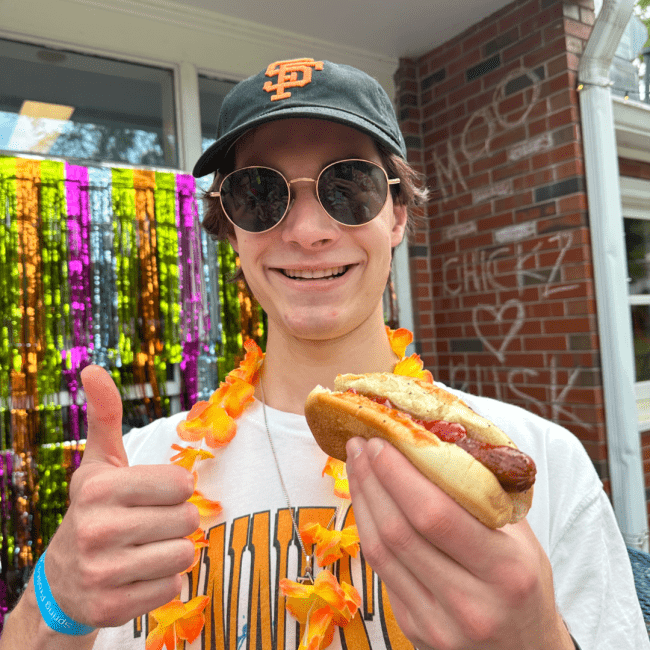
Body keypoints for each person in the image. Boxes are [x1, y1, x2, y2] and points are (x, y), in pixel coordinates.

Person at [1, 57, 647, 650]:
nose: (308, 232)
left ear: (396, 213)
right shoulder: (141, 479)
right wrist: (56, 600)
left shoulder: (538, 470)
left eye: (349, 186)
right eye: (260, 193)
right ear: (230, 228)